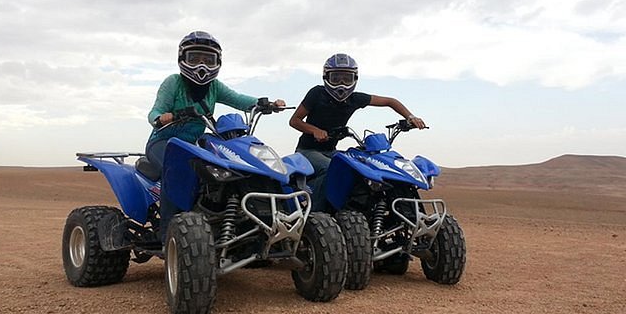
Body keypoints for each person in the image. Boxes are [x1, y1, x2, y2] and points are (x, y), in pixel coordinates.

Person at [145, 30, 285, 242]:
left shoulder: (214, 87)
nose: (201, 65)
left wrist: (266, 103)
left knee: (220, 172)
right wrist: (163, 117)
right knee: (175, 171)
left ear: (217, 62)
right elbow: (154, 112)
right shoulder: (173, 83)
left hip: (193, 145)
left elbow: (238, 99)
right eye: (195, 58)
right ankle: (167, 234)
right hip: (164, 142)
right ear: (183, 58)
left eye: (208, 59)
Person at [289, 53, 426, 211]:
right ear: (326, 77)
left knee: (359, 168)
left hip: (331, 151)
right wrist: (315, 130)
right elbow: (295, 120)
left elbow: (390, 101)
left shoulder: (355, 99)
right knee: (331, 169)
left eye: (346, 78)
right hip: (307, 151)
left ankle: (353, 211)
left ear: (354, 79)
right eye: (336, 78)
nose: (341, 83)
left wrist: (410, 117)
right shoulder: (316, 94)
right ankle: (316, 213)